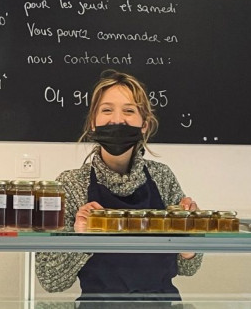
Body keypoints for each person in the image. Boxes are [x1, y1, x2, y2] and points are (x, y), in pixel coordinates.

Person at [35, 70, 202, 302]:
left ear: (144, 124)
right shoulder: (71, 184)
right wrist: (79, 239)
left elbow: (189, 267)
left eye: (129, 111)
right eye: (106, 110)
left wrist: (189, 238)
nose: (117, 120)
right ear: (93, 122)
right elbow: (50, 280)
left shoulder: (162, 177)